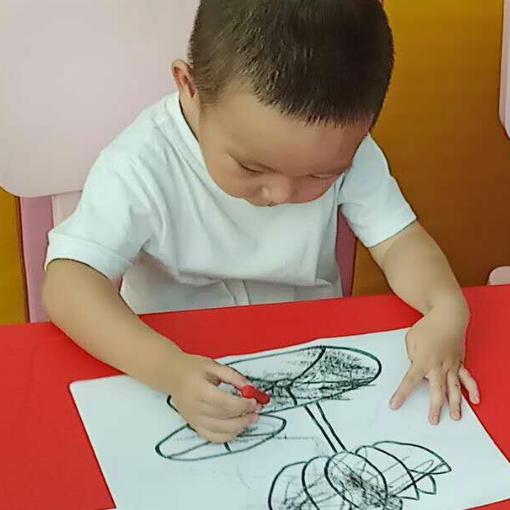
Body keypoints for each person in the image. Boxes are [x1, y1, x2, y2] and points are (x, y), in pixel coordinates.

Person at [43, 0, 479, 444]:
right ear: (190, 87)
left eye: (320, 176)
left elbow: (400, 242)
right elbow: (68, 283)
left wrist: (446, 306)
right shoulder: (142, 163)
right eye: (251, 167)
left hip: (307, 349)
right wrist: (167, 369)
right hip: (172, 362)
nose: (282, 194)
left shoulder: (347, 149)